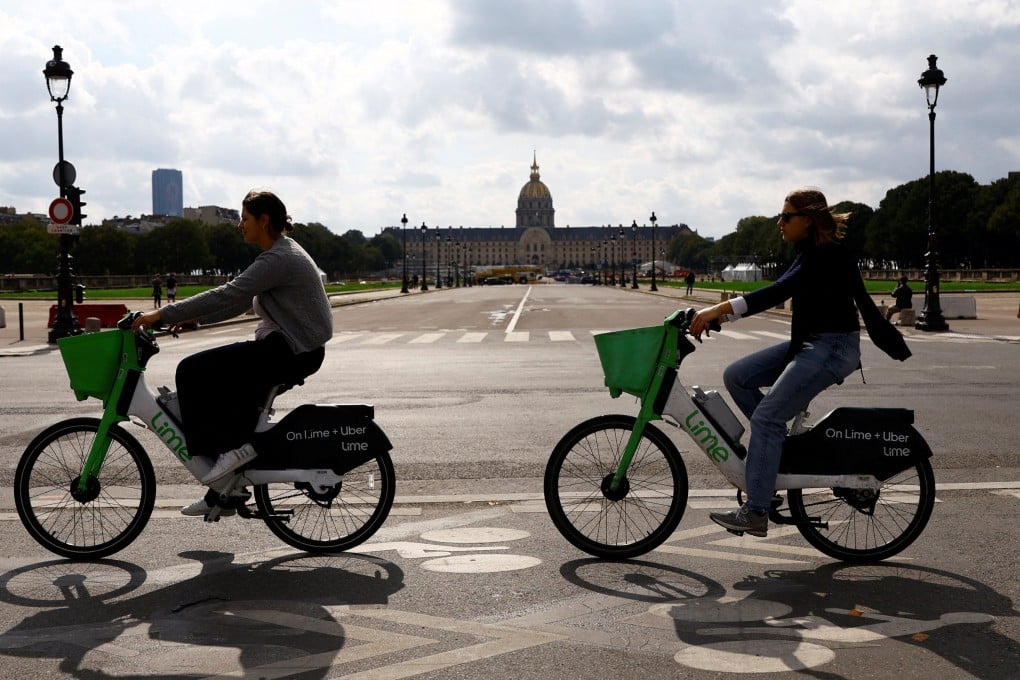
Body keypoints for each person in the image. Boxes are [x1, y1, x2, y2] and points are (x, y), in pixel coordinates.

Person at [689, 188, 910, 538]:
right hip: (810, 345)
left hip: (831, 348)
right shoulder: (809, 252)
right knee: (738, 377)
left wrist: (718, 309)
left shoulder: (827, 254)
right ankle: (774, 456)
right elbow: (780, 287)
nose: (779, 222)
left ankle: (757, 509)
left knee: (766, 416)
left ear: (807, 219)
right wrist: (721, 319)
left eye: (786, 216)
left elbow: (777, 293)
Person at [132, 190, 333, 516]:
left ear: (263, 221)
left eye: (244, 218)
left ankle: (233, 455)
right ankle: (225, 491)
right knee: (216, 383)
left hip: (291, 351)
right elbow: (239, 301)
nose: (240, 225)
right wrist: (193, 318)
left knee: (191, 371)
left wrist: (163, 314)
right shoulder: (279, 254)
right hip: (293, 348)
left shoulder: (278, 258)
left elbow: (230, 293)